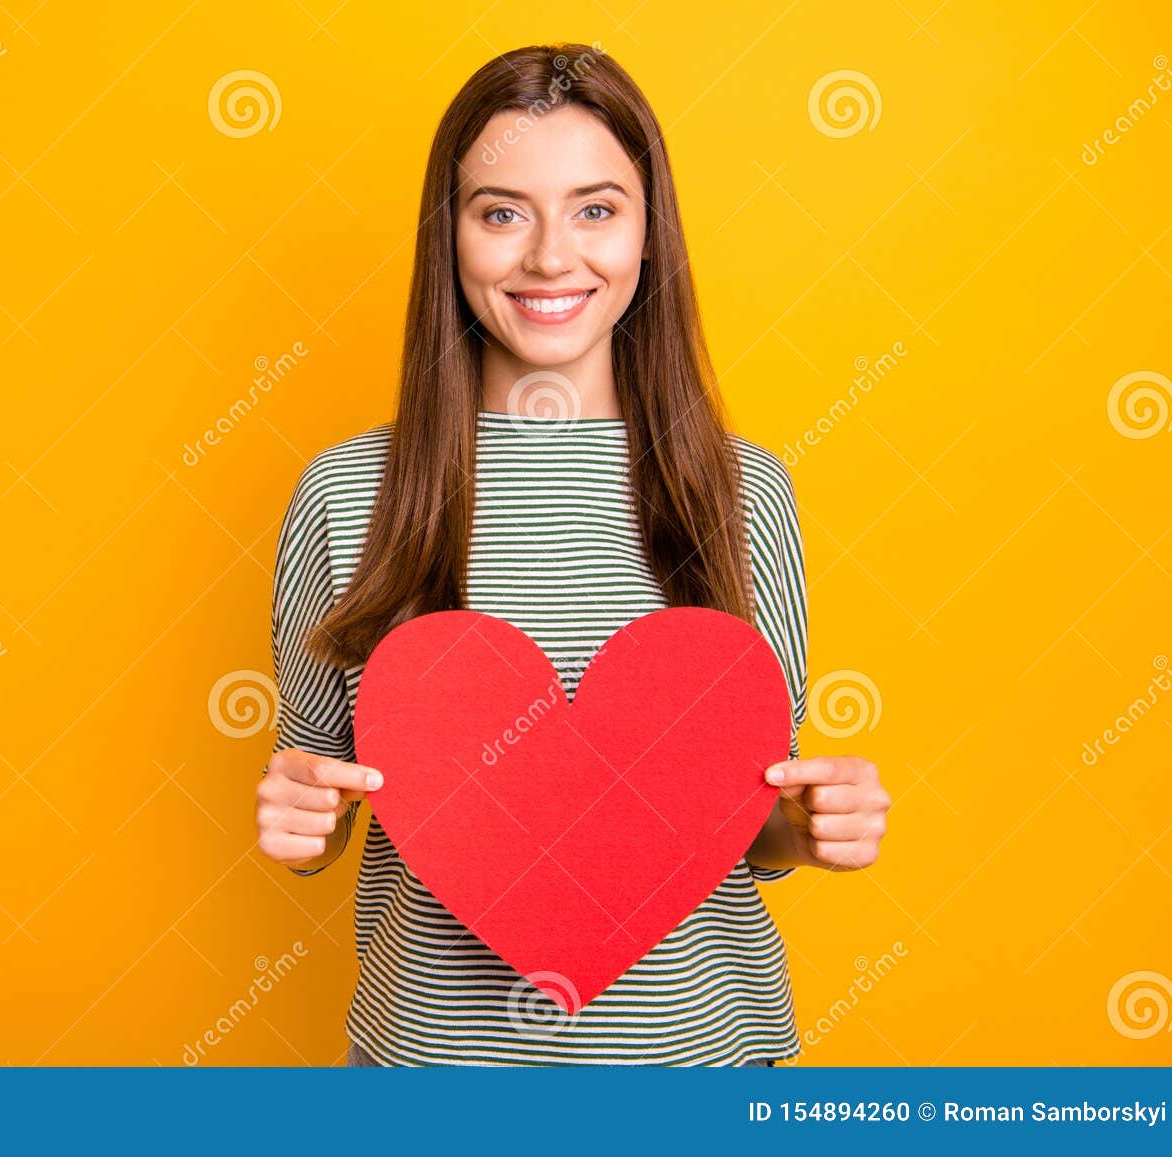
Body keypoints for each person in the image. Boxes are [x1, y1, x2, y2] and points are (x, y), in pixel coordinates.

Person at [253, 42, 891, 1066]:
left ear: (649, 234)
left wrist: (806, 828)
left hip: (702, 1063)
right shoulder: (347, 491)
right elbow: (323, 797)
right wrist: (300, 820)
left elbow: (747, 813)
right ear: (450, 236)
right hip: (438, 1068)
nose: (551, 257)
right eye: (501, 211)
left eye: (596, 209)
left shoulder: (744, 490)